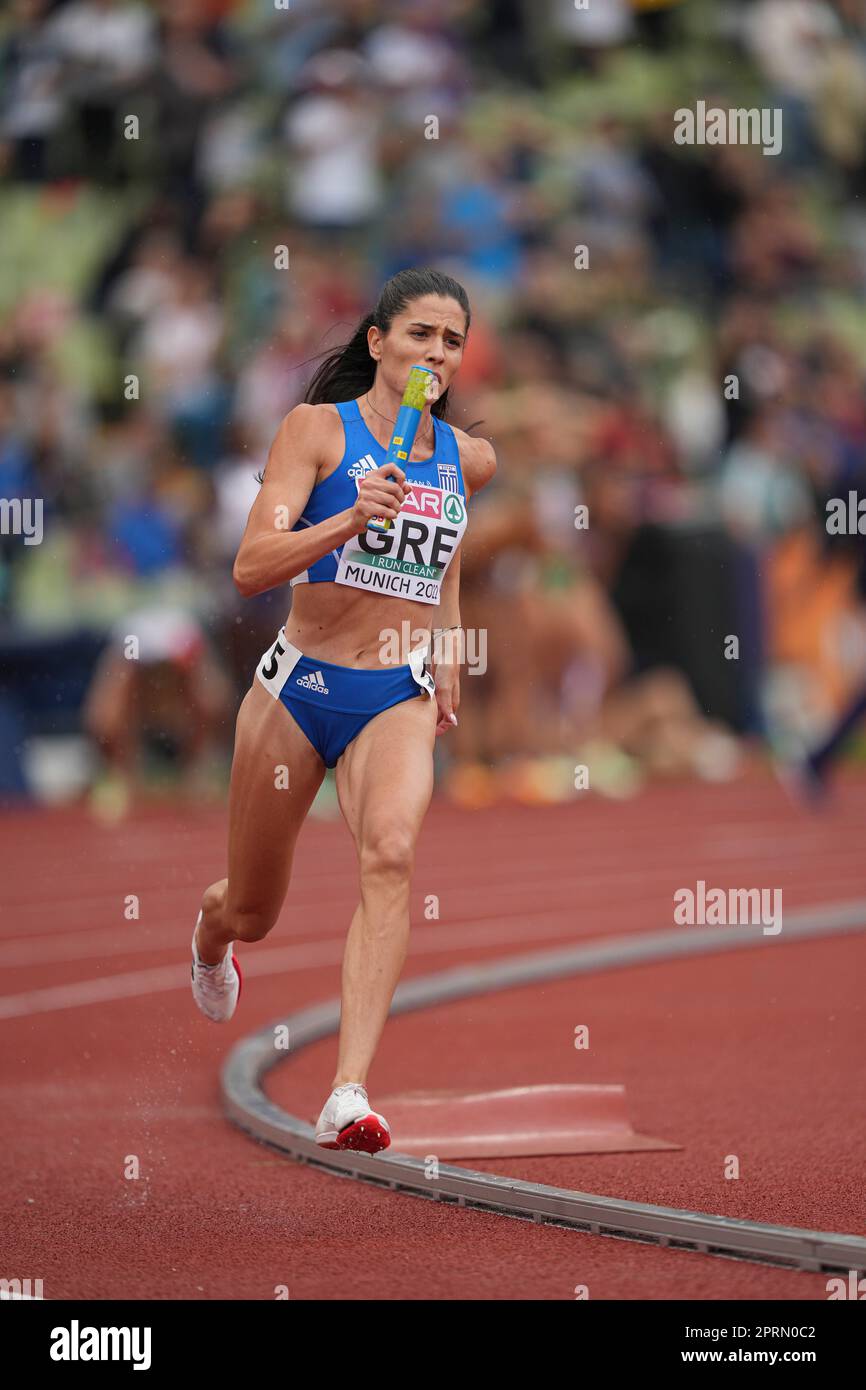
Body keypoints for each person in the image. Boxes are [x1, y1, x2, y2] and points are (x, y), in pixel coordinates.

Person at [190, 267, 496, 1154]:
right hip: (299, 689)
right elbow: (252, 565)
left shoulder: (464, 457)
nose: (435, 354)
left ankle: (348, 1092)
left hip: (392, 694)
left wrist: (451, 648)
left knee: (392, 855)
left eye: (451, 342)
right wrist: (346, 522)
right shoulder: (315, 433)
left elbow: (447, 555)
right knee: (254, 907)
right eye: (419, 336)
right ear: (376, 341)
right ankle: (212, 939)